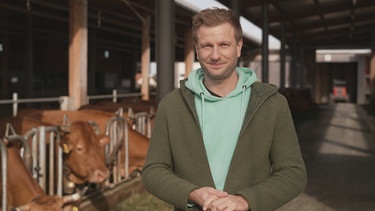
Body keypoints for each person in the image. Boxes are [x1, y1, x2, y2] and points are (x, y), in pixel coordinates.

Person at [142, 7, 307, 211]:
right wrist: (193, 193)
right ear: (196, 48)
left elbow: (293, 173)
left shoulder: (272, 103)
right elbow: (153, 171)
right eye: (207, 46)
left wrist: (246, 200)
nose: (215, 55)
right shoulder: (172, 105)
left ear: (238, 46)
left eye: (224, 45)